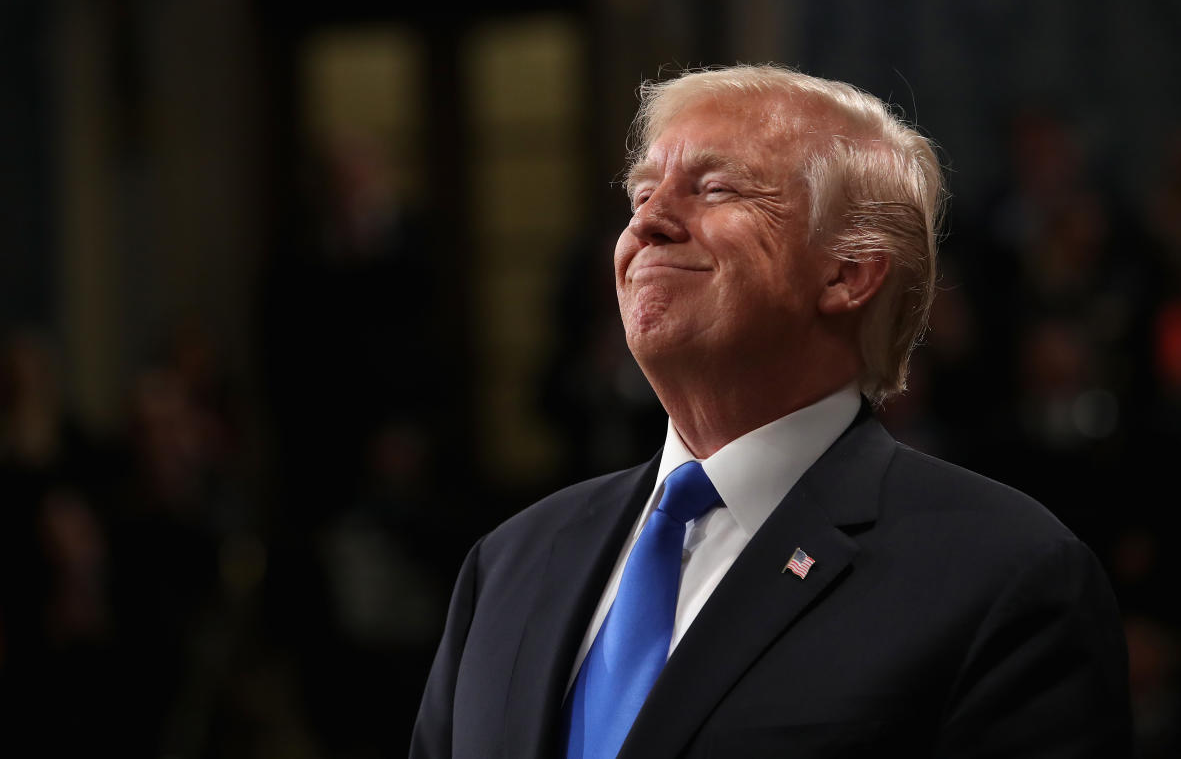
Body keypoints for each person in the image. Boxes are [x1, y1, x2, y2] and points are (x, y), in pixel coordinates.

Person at [410, 65, 1131, 758]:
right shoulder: (511, 562)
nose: (648, 224)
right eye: (639, 196)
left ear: (847, 271)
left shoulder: (1005, 577)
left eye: (715, 189)